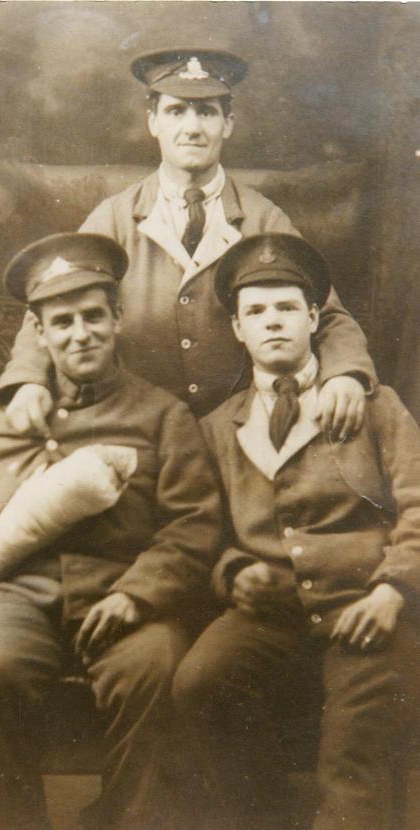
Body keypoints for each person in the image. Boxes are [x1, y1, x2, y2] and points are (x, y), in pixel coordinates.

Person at [0, 233, 222, 830]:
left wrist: (136, 594)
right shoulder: (10, 413)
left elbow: (193, 523)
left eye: (94, 316)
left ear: (118, 319)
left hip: (128, 594)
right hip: (20, 595)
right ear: (39, 334)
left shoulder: (163, 414)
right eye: (63, 322)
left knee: (155, 671)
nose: (81, 335)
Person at [172, 233, 420, 830]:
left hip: (367, 605)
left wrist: (393, 592)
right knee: (196, 686)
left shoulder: (375, 405)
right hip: (272, 610)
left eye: (286, 307)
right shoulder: (215, 427)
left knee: (350, 753)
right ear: (236, 328)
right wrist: (234, 572)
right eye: (255, 312)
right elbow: (201, 536)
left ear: (314, 317)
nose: (272, 322)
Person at [0, 47, 375, 433]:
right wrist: (28, 380)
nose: (192, 128)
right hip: (136, 427)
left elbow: (326, 314)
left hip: (239, 433)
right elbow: (48, 306)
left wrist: (345, 374)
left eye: (207, 112)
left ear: (227, 123)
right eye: (177, 111)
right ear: (153, 122)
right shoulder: (113, 218)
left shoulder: (263, 218)